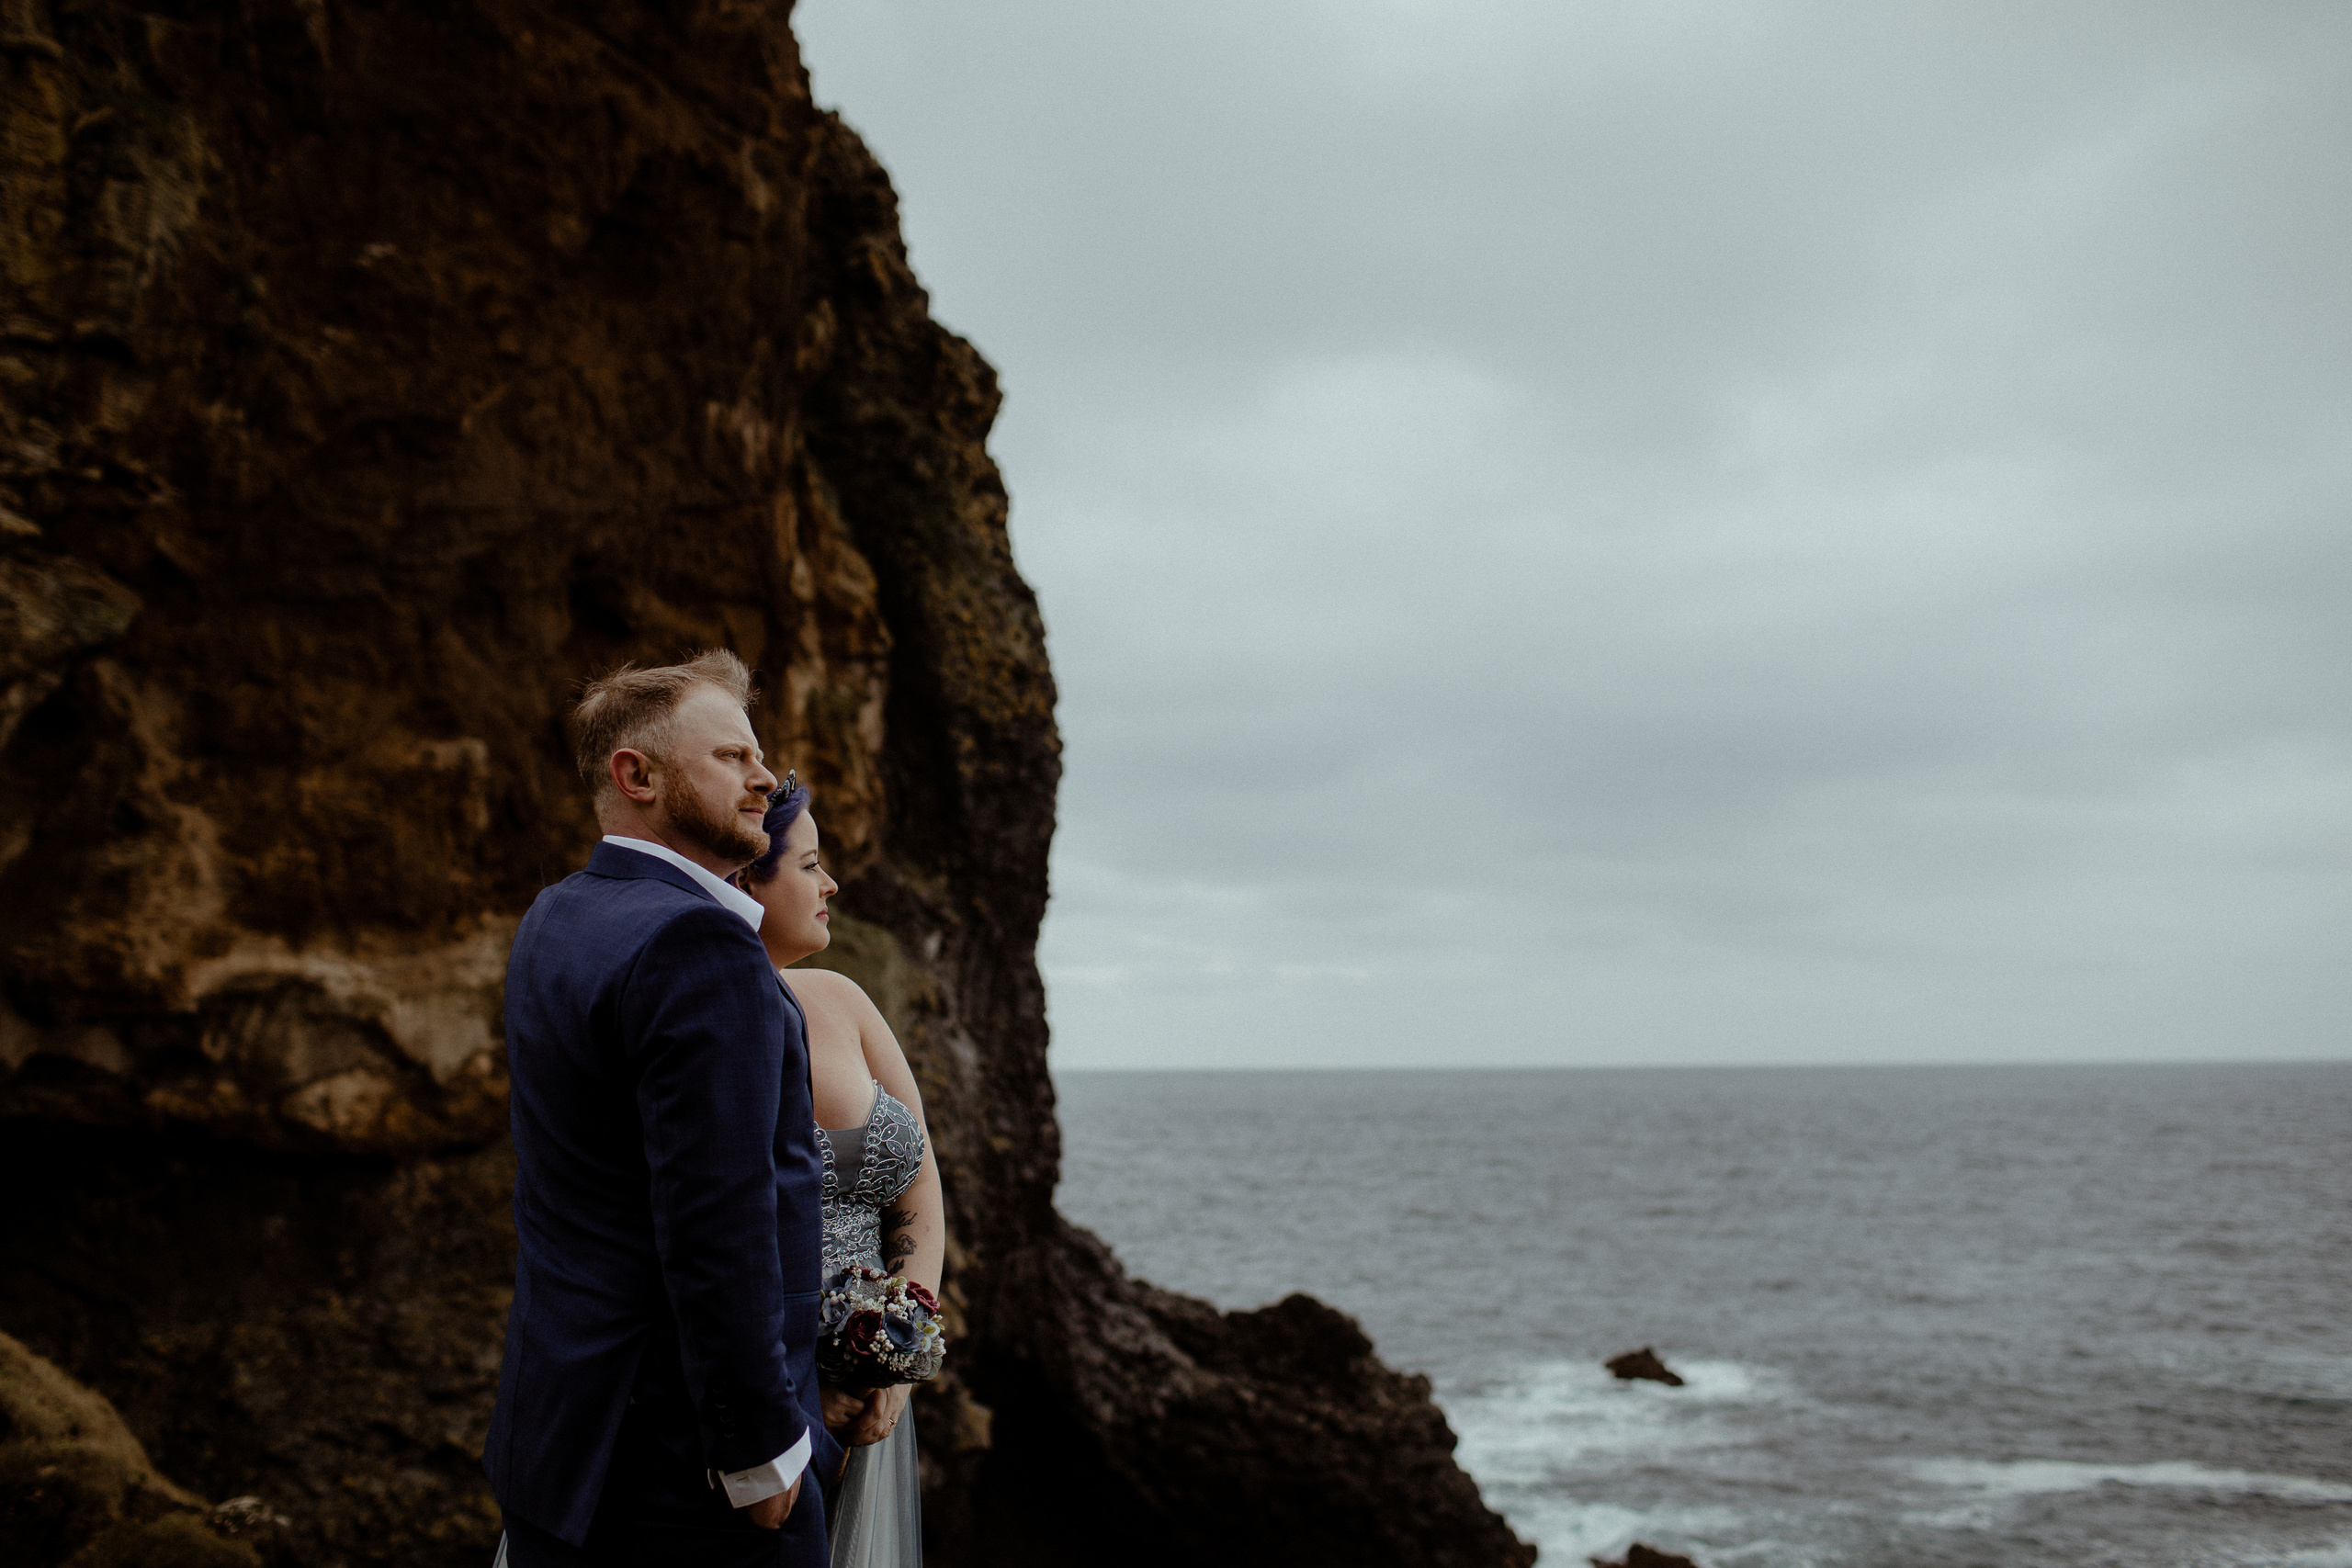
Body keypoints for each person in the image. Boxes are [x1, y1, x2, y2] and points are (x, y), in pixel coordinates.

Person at [487, 651, 839, 1567]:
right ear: (634, 775)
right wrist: (760, 1448)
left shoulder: (557, 914)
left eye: (758, 756)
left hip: (560, 1439)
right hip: (686, 1472)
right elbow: (717, 1219)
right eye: (730, 757)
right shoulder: (698, 943)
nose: (764, 779)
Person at [734, 778, 945, 1568]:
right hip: (770, 1406)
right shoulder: (707, 1020)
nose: (830, 885)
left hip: (873, 1391)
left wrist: (894, 1356)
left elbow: (920, 1186)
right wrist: (797, 1391)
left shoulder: (843, 999)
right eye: (809, 865)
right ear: (746, 881)